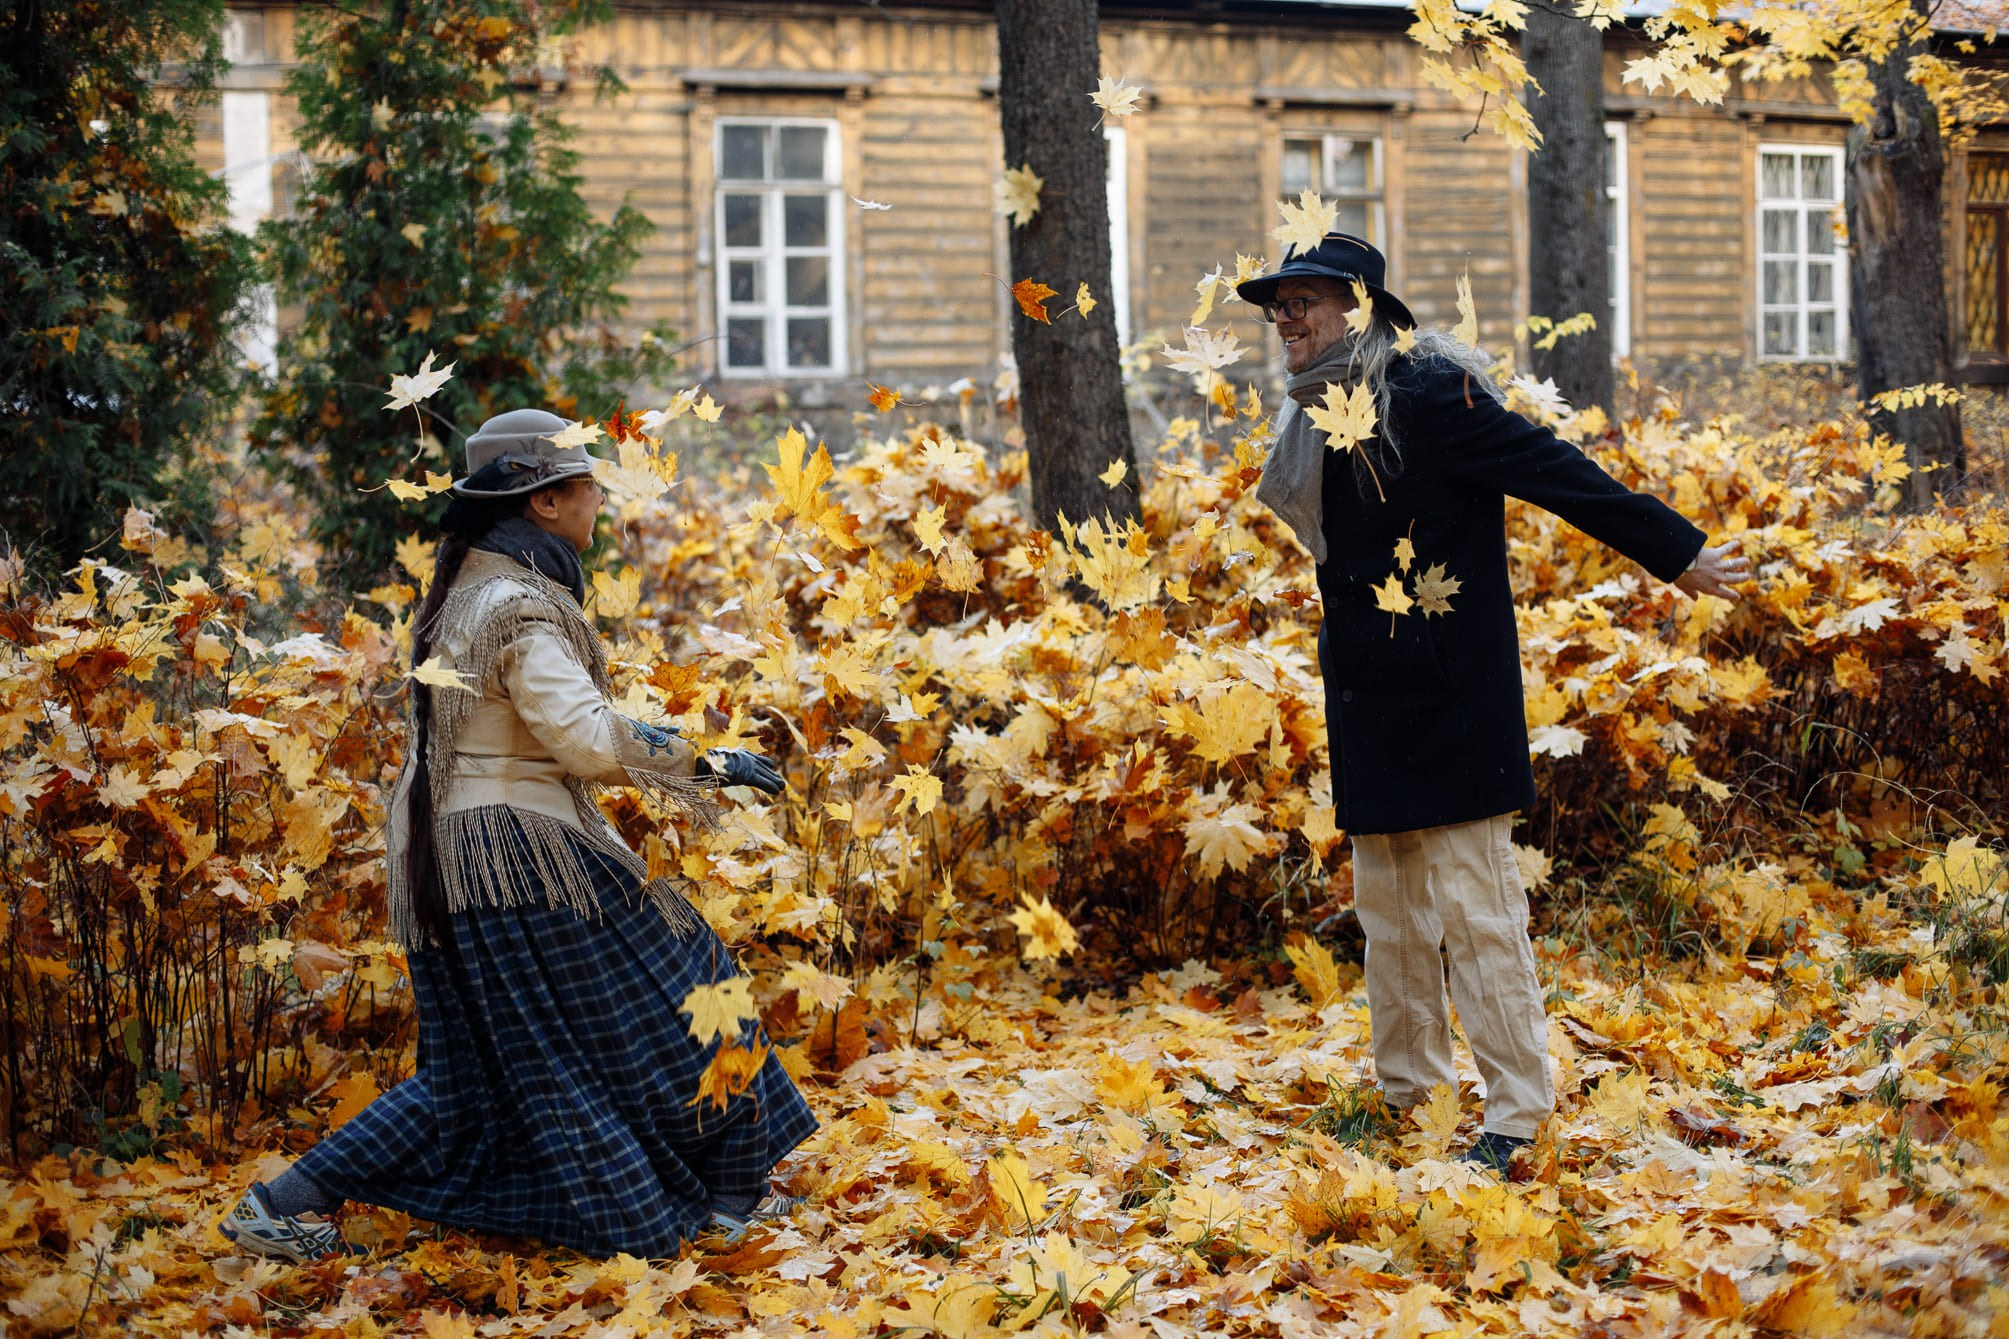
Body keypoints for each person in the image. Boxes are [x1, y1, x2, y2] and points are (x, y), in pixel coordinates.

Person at [221, 409, 816, 1261]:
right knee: (701, 987)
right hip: (526, 852)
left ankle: (286, 1200)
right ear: (543, 502)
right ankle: (734, 1195)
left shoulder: (462, 594)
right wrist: (705, 760)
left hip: (445, 857)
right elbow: (581, 735)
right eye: (586, 486)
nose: (596, 503)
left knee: (475, 1081)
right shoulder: (518, 606)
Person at [1239, 234, 1750, 1173]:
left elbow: (1555, 469)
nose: (1285, 321)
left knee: (1477, 912)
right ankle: (1411, 1094)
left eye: (1302, 302)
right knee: (1388, 914)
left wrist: (1673, 552)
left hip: (1449, 696)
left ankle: (1516, 1108)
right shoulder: (1312, 416)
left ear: (1360, 308)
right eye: (1277, 307)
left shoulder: (1431, 393)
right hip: (1366, 692)